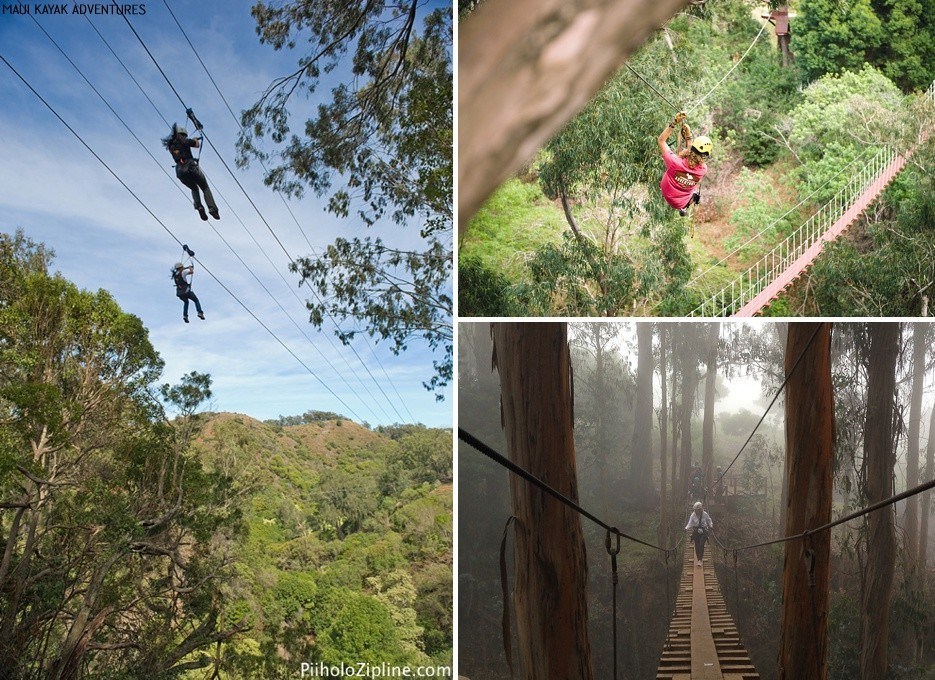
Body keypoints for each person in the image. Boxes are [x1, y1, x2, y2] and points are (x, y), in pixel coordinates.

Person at [162, 123, 220, 221]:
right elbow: (196, 145)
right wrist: (195, 140)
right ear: (183, 135)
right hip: (191, 166)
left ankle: (199, 207)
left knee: (194, 188)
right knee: (205, 187)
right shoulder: (184, 140)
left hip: (180, 172)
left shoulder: (171, 146)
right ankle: (212, 209)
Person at [658, 112, 711, 217]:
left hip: (668, 195)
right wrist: (688, 135)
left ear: (691, 150)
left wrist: (674, 123)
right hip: (683, 201)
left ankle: (686, 204)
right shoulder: (703, 169)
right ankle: (685, 206)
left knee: (693, 192)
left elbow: (661, 141)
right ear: (705, 156)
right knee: (695, 193)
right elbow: (693, 152)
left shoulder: (674, 162)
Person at [685, 501, 713, 567]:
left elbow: (709, 520)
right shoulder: (693, 515)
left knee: (701, 544)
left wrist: (711, 526)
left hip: (703, 531)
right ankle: (699, 559)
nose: (695, 511)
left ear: (700, 509)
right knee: (697, 546)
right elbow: (690, 523)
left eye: (697, 510)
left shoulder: (705, 514)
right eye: (695, 510)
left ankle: (700, 560)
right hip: (696, 531)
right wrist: (686, 528)